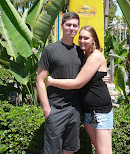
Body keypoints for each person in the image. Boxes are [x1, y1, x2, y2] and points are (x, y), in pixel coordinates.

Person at [36, 12, 110, 154]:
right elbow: (40, 80)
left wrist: (105, 76)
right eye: (68, 25)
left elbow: (94, 70)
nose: (71, 28)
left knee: (70, 149)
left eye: (75, 25)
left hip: (75, 109)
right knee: (52, 150)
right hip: (56, 108)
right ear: (62, 26)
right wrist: (47, 109)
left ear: (78, 28)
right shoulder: (50, 50)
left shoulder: (81, 51)